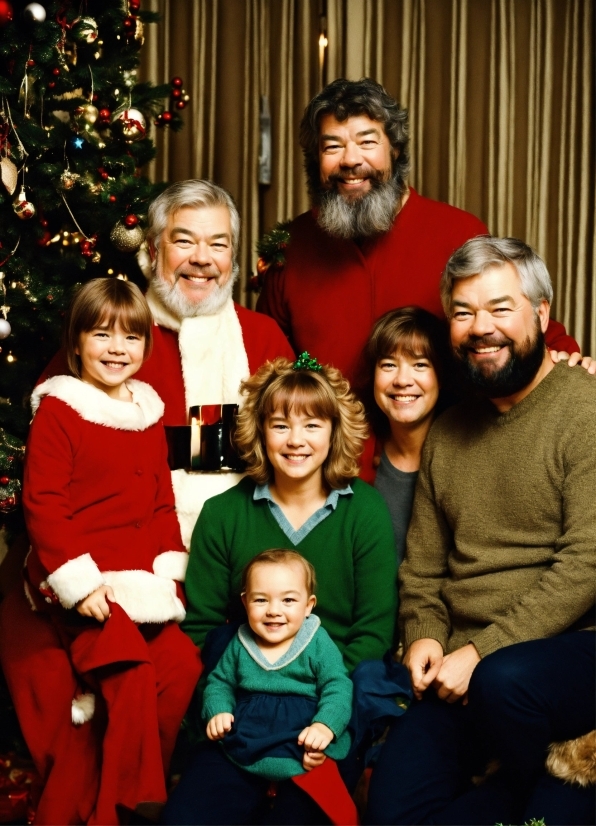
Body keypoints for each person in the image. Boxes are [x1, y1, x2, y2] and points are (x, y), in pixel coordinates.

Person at [366, 237, 596, 826]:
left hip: (565, 651)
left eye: (500, 308)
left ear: (542, 314)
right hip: (463, 668)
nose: (480, 328)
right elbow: (422, 570)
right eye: (464, 313)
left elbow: (586, 563)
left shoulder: (585, 409)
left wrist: (479, 652)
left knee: (506, 682)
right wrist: (423, 637)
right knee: (393, 811)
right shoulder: (448, 432)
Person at [4, 279, 201, 825]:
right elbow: (42, 505)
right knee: (131, 674)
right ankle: (121, 809)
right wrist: (80, 584)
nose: (117, 348)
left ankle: (143, 784)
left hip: (141, 582)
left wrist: (169, 573)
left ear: (145, 346)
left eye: (131, 337)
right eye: (101, 334)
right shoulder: (61, 411)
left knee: (181, 665)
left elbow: (162, 504)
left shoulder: (146, 411)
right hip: (80, 585)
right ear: (76, 341)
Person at [256, 78, 578, 384]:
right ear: (316, 160)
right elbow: (267, 363)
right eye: (332, 147)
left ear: (394, 150)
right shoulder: (291, 247)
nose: (351, 159)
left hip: (444, 439)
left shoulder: (459, 233)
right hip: (327, 442)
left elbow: (515, 323)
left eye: (367, 142)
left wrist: (569, 357)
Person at [182, 355, 397, 677]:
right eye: (280, 426)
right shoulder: (221, 514)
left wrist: (324, 696)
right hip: (247, 686)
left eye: (312, 425)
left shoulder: (366, 510)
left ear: (334, 431)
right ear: (260, 430)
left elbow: (374, 631)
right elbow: (202, 630)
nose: (295, 441)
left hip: (338, 686)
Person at [164, 550, 357, 825]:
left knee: (309, 804)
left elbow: (337, 686)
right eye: (261, 600)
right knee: (200, 799)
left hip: (300, 736)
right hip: (248, 736)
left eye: (289, 600)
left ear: (308, 605)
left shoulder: (317, 641)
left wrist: (325, 726)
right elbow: (220, 683)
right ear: (245, 602)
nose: (274, 610)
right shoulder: (240, 642)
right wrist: (218, 710)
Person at [357, 306, 450, 561]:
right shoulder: (351, 459)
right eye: (388, 365)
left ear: (441, 376)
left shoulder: (464, 458)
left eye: (420, 365)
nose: (402, 380)